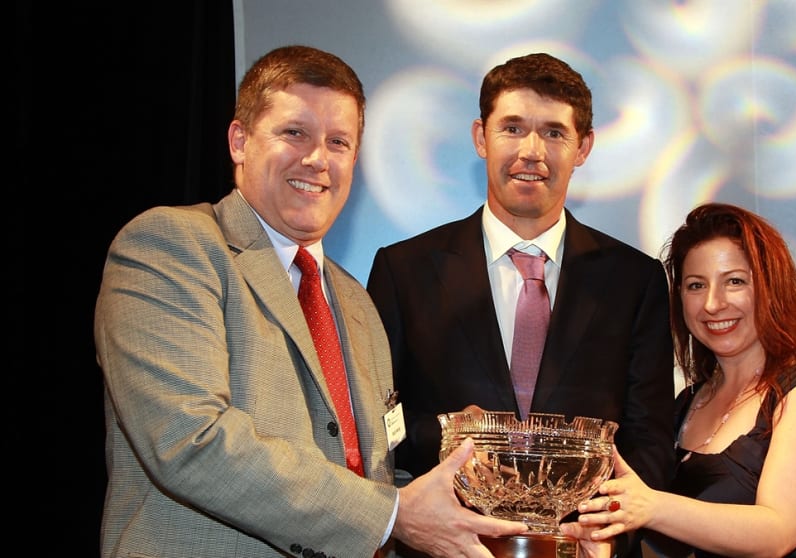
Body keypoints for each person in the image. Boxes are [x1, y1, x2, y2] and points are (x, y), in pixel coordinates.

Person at [94, 45, 528, 558]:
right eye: (294, 132)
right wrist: (393, 516)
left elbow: (370, 470)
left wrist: (460, 492)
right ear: (239, 140)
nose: (318, 159)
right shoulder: (173, 247)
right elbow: (191, 440)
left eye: (338, 142)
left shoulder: (355, 302)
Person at [365, 52, 675, 557]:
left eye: (554, 133)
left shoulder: (634, 279)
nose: (532, 151)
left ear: (584, 147)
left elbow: (650, 437)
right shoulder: (404, 270)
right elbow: (378, 416)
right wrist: (448, 436)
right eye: (512, 128)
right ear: (480, 137)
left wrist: (608, 534)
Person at [561, 202, 796, 558]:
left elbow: (777, 533)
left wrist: (650, 507)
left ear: (771, 288)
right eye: (696, 285)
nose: (713, 304)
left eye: (734, 282)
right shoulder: (690, 401)